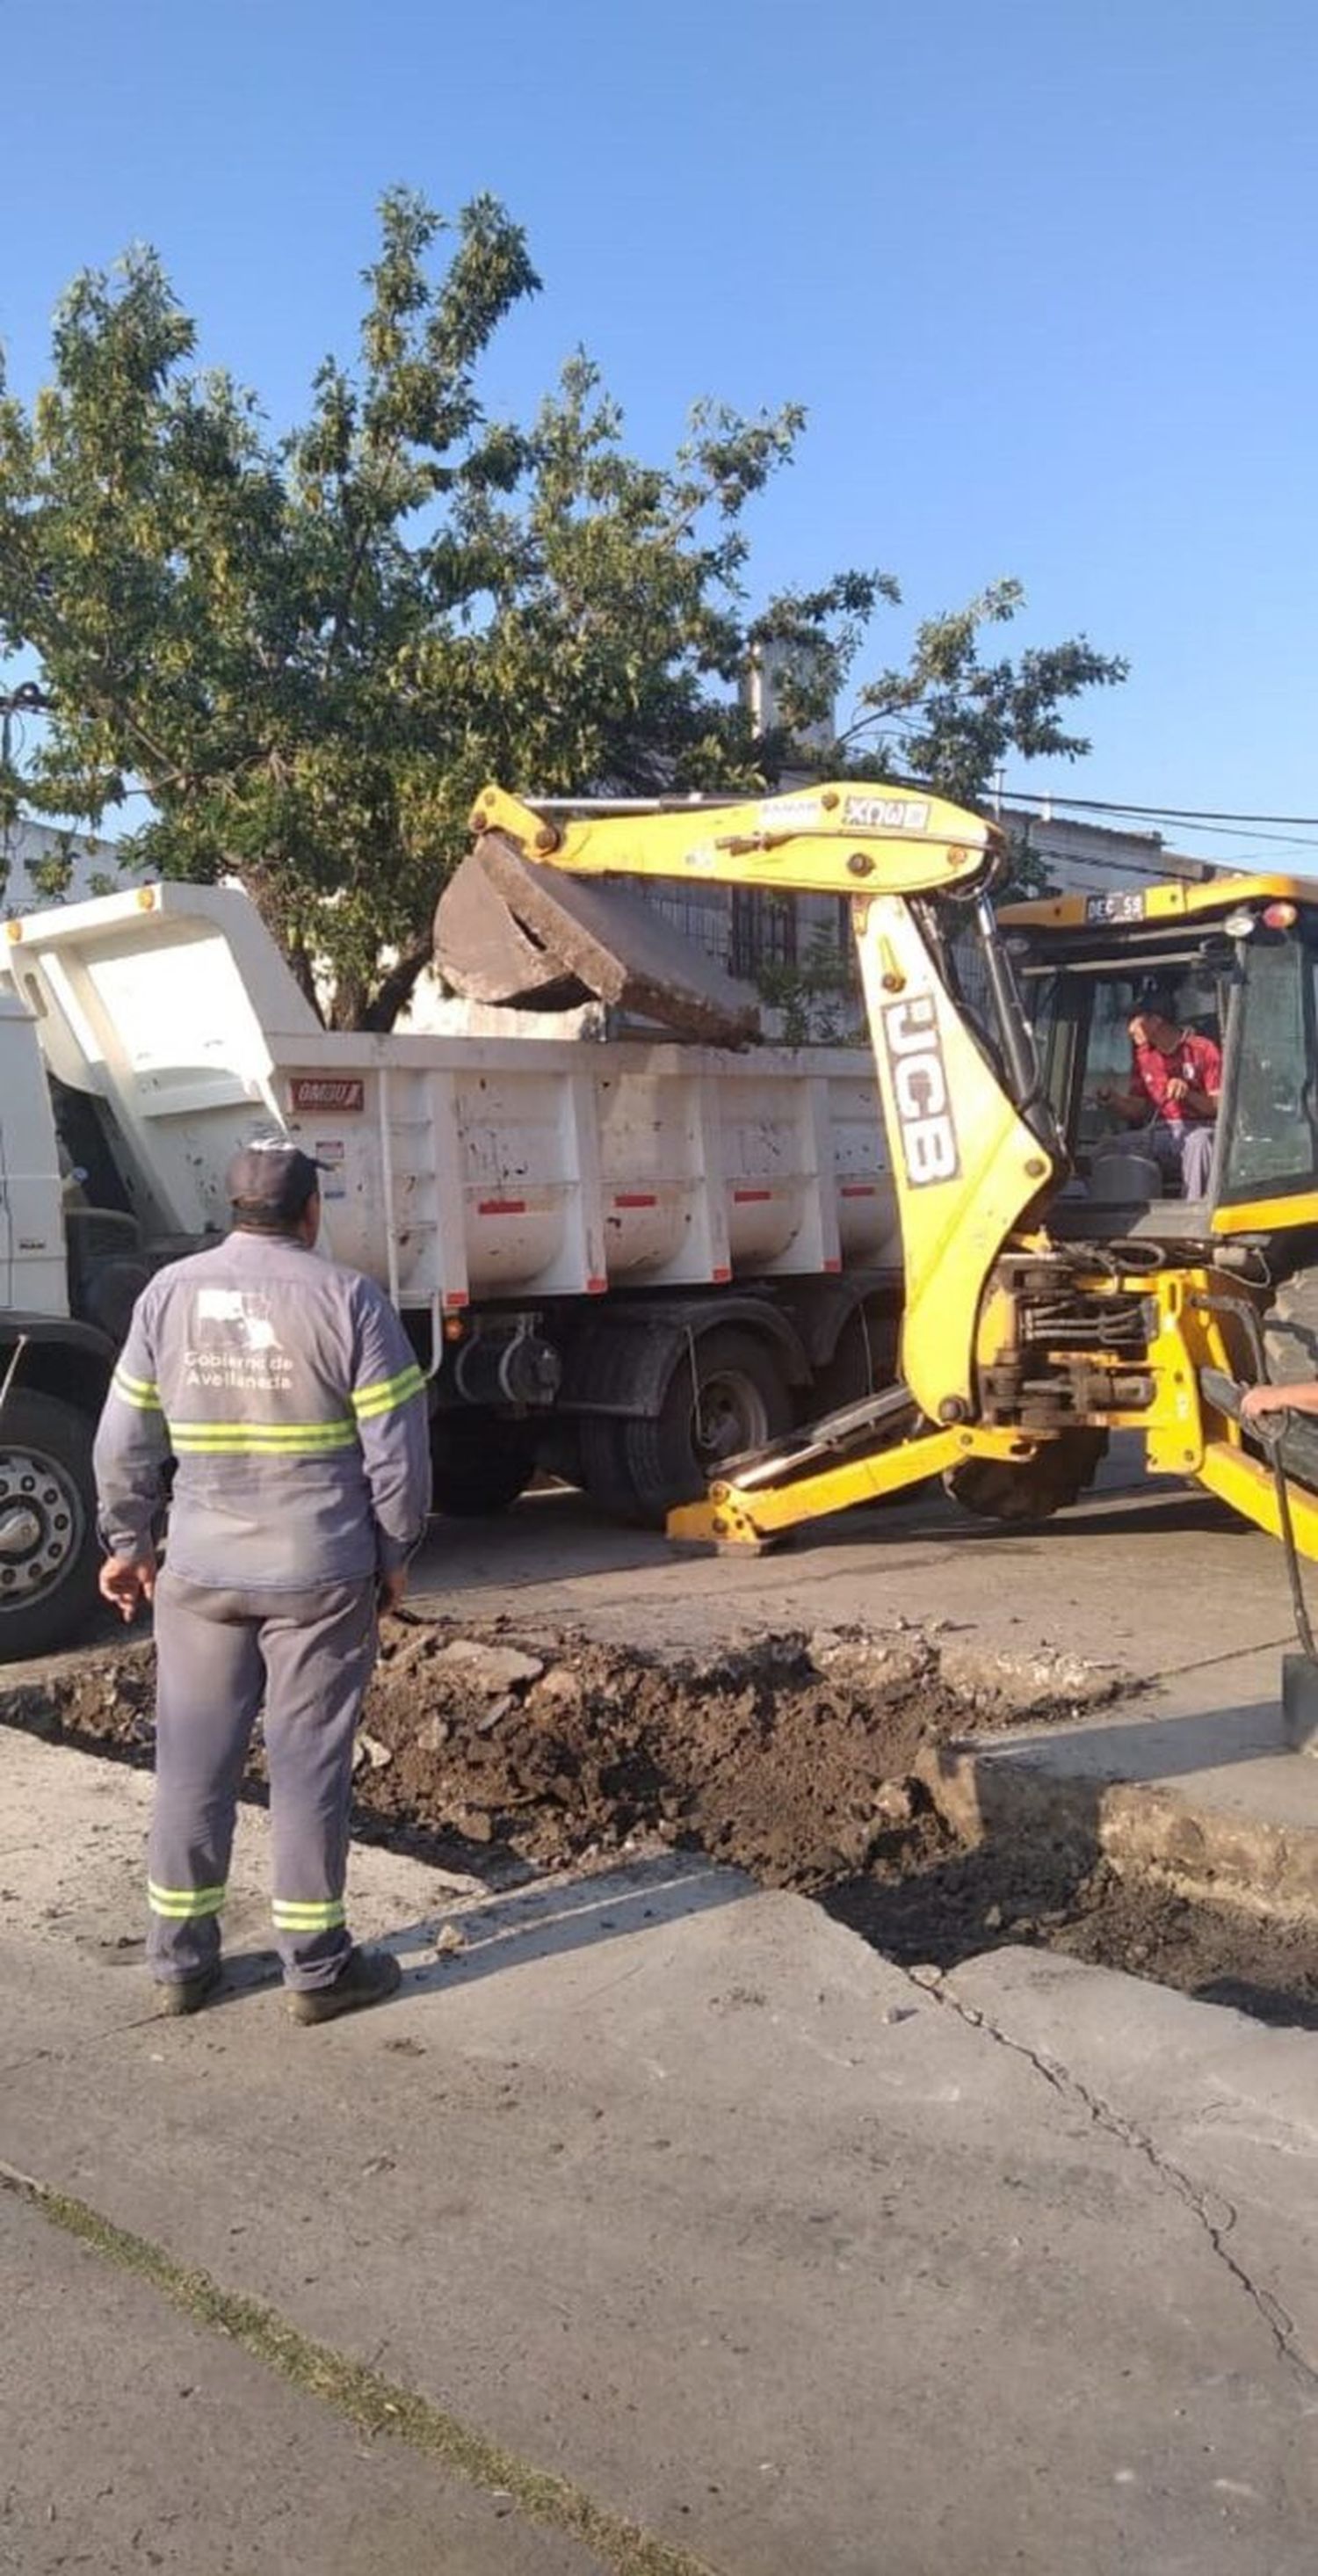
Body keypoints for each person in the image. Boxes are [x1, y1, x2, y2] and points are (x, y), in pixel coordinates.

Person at [93, 1139, 432, 2023]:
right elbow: (397, 1456)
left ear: (233, 1208)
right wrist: (393, 1555)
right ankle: (316, 1971)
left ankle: (179, 1965)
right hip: (319, 1573)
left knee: (191, 1767)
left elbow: (122, 1437)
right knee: (308, 1767)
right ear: (309, 1211)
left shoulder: (168, 1295)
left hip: (200, 1567)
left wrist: (128, 1540)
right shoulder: (350, 1299)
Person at [1097, 1008, 1221, 1196]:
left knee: (1200, 1144)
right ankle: (1120, 1214)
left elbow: (1219, 1105)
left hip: (1200, 1127)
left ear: (1156, 1020)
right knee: (1109, 1148)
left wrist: (1188, 1094)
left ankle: (1192, 1210)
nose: (1130, 1030)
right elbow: (1139, 1108)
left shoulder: (1203, 1049)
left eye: (1135, 1021)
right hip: (1159, 1130)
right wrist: (1113, 1100)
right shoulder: (1143, 1056)